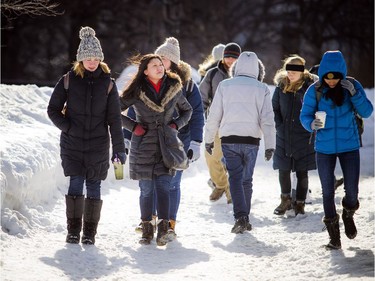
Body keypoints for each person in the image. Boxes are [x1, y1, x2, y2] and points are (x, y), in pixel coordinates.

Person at [47, 26, 126, 245]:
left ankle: (89, 233)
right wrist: (69, 127)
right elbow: (52, 109)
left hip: (98, 146)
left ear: (100, 59)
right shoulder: (68, 80)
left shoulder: (108, 84)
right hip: (72, 144)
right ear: (80, 59)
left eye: (95, 58)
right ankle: (73, 231)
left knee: (94, 186)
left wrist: (119, 150)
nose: (91, 62)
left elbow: (115, 120)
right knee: (75, 183)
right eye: (87, 58)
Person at [127, 37, 204, 239]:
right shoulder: (143, 83)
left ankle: (168, 223)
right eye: (158, 58)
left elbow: (195, 113)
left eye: (164, 59)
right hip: (148, 140)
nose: (160, 62)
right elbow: (131, 111)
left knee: (170, 183)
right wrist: (130, 132)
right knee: (149, 183)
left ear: (172, 62)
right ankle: (149, 221)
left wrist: (195, 140)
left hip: (177, 140)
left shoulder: (184, 85)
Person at [300, 50, 373, 249]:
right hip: (324, 148)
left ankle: (348, 213)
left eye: (335, 77)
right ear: (323, 74)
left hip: (349, 146)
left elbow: (367, 111)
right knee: (327, 191)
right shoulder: (315, 90)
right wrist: (311, 124)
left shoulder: (353, 86)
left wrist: (354, 94)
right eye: (327, 77)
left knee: (352, 191)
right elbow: (305, 114)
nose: (331, 81)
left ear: (341, 74)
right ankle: (334, 238)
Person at [119, 53, 192, 246]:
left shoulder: (174, 87)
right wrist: (133, 126)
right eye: (154, 65)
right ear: (145, 71)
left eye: (161, 64)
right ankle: (146, 229)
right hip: (143, 145)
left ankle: (163, 230)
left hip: (166, 144)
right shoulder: (136, 90)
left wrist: (176, 125)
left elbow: (188, 111)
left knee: (163, 187)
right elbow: (113, 110)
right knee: (146, 189)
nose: (160, 68)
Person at [205, 51, 276, 234]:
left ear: (236, 68)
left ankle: (240, 218)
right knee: (247, 180)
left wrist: (208, 139)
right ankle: (245, 217)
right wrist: (270, 145)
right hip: (251, 140)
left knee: (235, 179)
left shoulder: (224, 85)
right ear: (258, 69)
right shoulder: (262, 88)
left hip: (229, 139)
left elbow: (214, 115)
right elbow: (267, 119)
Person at [271, 55, 317, 216]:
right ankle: (285, 201)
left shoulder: (310, 88)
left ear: (302, 72)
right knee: (283, 169)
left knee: (301, 170)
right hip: (283, 135)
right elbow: (274, 108)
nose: (290, 74)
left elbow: (315, 108)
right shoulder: (281, 86)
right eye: (288, 71)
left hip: (304, 135)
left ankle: (300, 203)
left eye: (293, 72)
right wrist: (279, 125)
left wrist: (312, 125)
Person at [199, 42, 242, 203]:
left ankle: (232, 192)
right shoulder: (212, 74)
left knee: (233, 159)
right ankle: (221, 184)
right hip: (216, 123)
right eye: (228, 56)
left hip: (237, 124)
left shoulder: (244, 75)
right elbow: (202, 97)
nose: (230, 60)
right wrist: (203, 116)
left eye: (234, 57)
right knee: (211, 156)